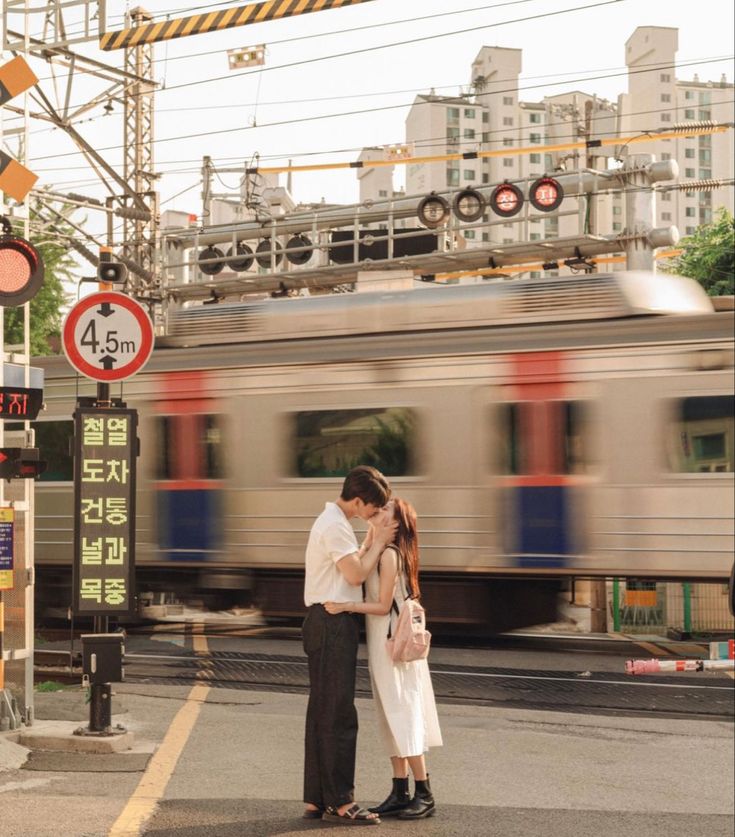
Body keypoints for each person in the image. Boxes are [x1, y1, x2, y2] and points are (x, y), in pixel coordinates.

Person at [326, 497, 442, 820]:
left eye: (385, 511)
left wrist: (344, 607)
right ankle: (399, 791)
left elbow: (380, 605)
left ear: (396, 524)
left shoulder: (390, 556)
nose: (376, 512)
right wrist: (369, 539)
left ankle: (424, 792)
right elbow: (356, 570)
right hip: (382, 644)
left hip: (393, 645)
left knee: (403, 714)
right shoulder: (379, 550)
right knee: (390, 715)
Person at [302, 465, 398, 826]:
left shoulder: (334, 523)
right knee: (339, 714)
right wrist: (379, 543)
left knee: (322, 712)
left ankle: (316, 798)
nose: (372, 515)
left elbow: (354, 562)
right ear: (358, 501)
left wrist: (371, 543)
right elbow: (356, 574)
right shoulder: (334, 525)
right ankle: (342, 801)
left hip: (323, 622)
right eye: (371, 509)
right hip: (332, 625)